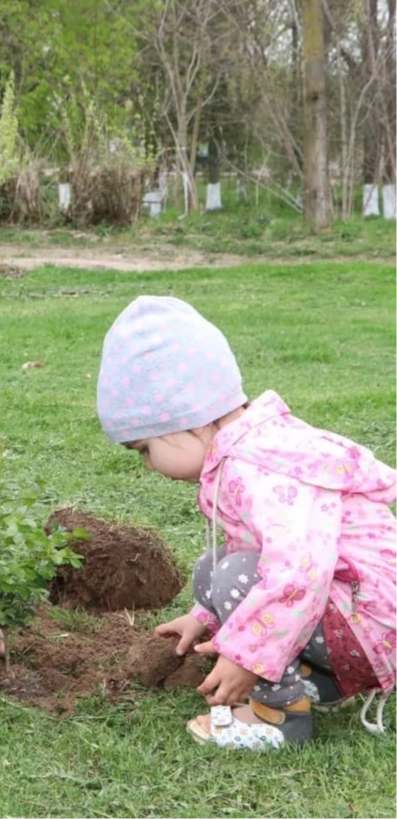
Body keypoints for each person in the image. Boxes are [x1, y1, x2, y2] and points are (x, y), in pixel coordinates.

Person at [96, 295, 395, 750]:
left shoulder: (257, 468)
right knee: (218, 566)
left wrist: (249, 656)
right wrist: (204, 615)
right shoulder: (249, 449)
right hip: (356, 614)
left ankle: (277, 718)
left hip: (371, 629)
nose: (148, 466)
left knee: (236, 574)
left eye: (145, 449)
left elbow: (298, 573)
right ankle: (320, 680)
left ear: (189, 422)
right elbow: (260, 556)